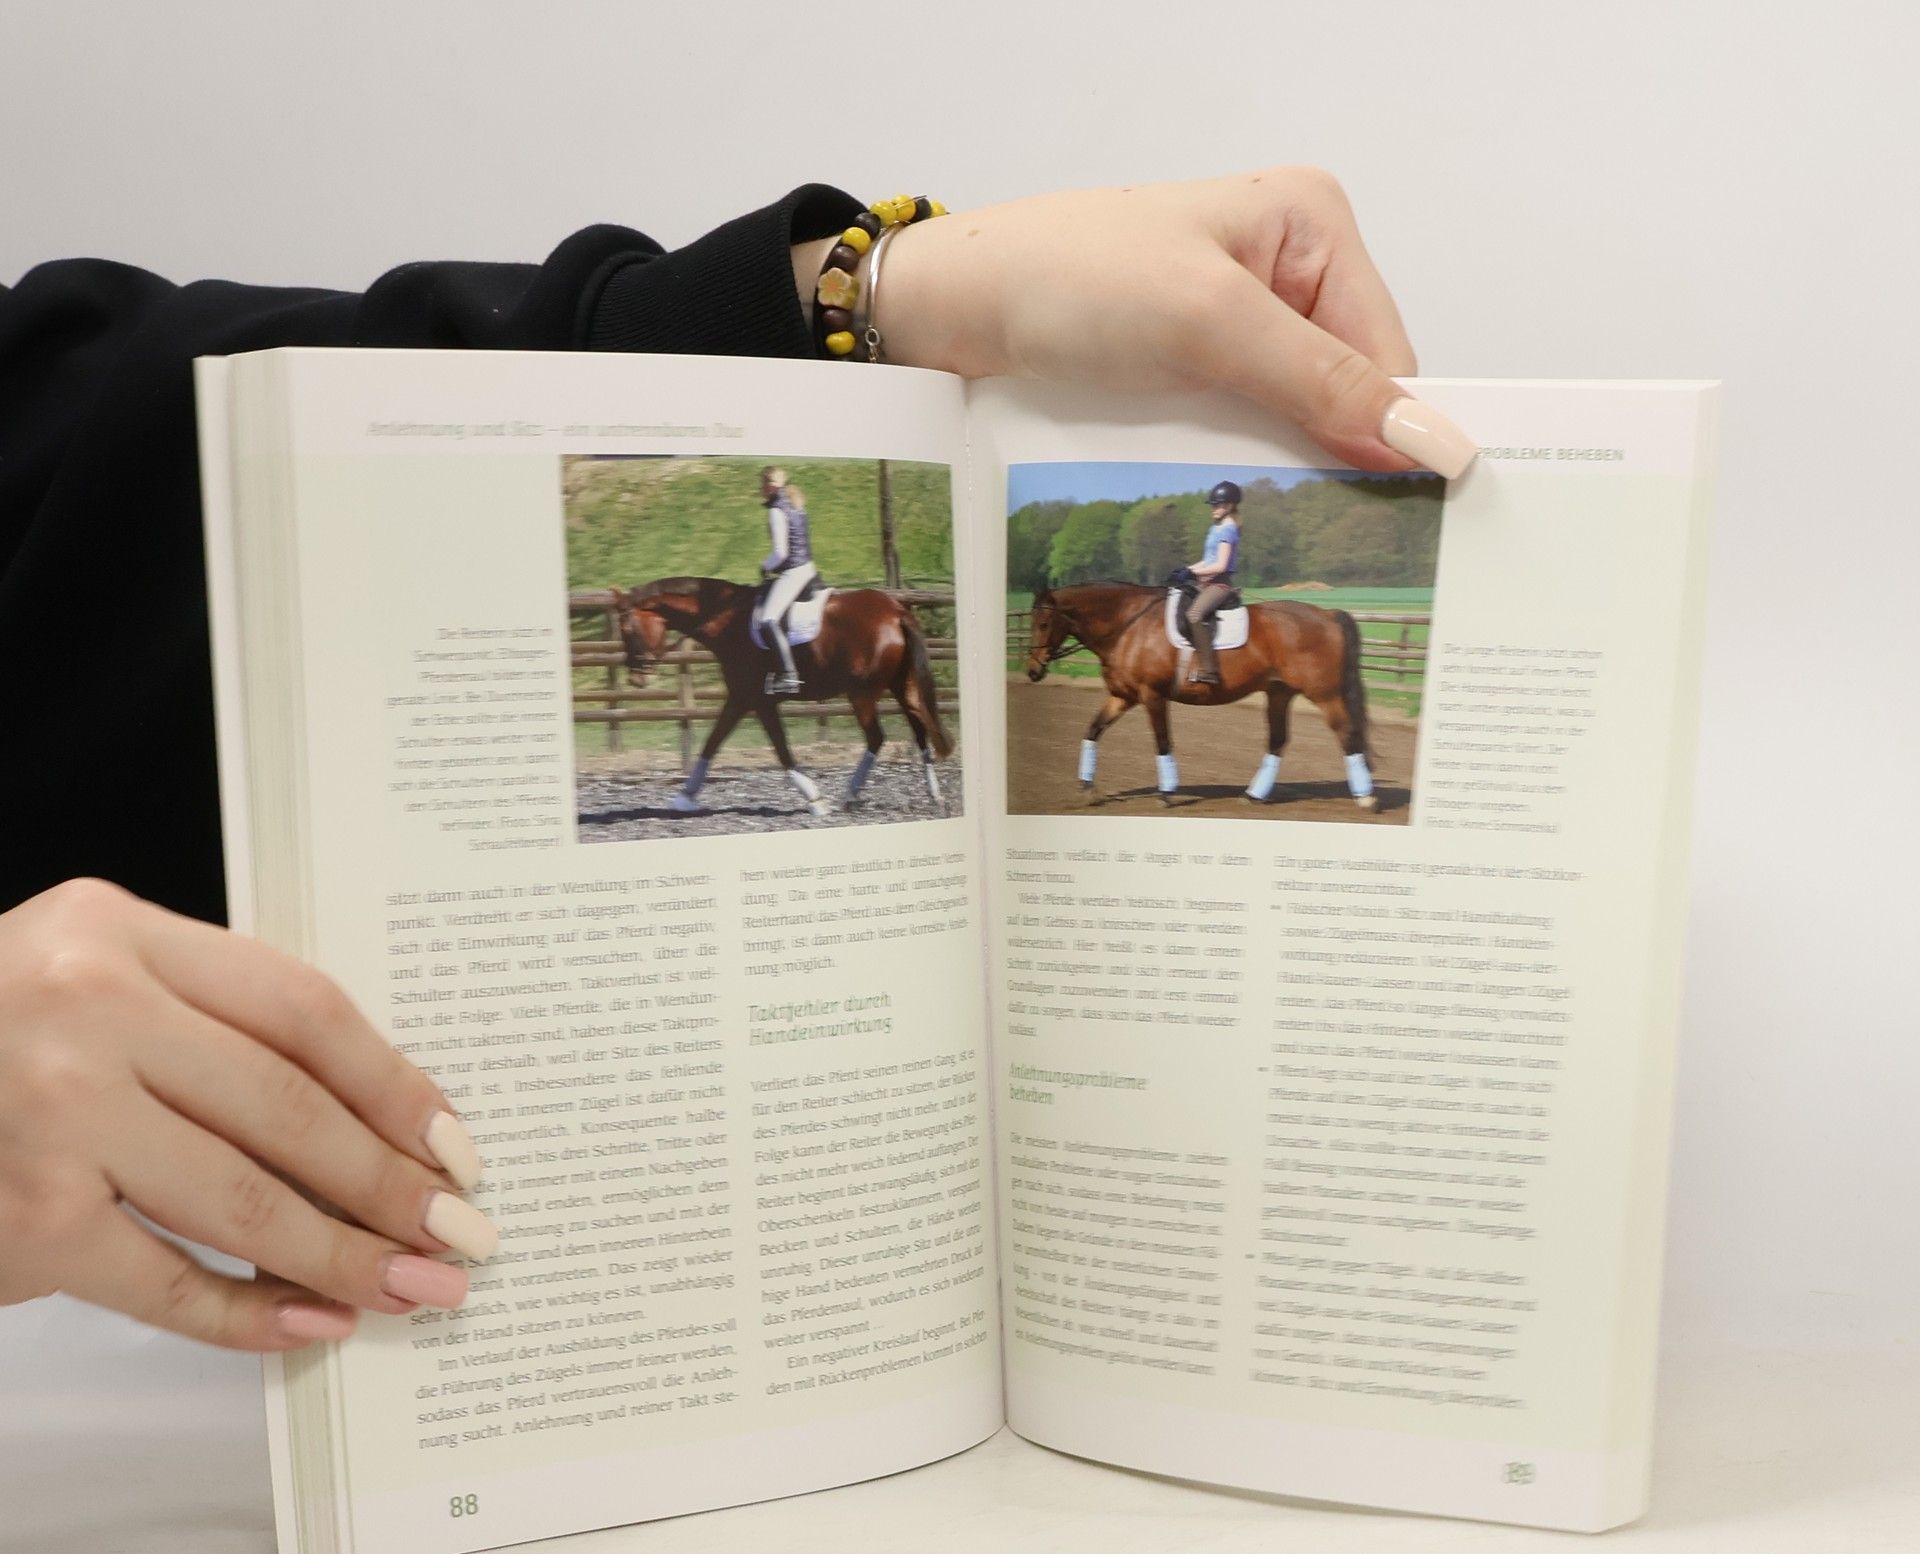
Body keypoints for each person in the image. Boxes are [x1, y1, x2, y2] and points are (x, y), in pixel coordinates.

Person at [0, 168, 1476, 1355]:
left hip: (1046, 588)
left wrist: (868, 292)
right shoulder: (782, 520)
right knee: (780, 617)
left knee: (1119, 617)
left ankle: (1150, 703)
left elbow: (95, 424)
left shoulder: (1207, 535)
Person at [755, 466, 818, 696]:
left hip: (794, 572)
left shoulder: (776, 509)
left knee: (767, 620)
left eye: (762, 484)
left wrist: (765, 567)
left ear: (771, 485)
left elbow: (780, 553)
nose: (760, 489)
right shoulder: (794, 500)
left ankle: (789, 676)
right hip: (809, 569)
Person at [1181, 479, 1244, 686]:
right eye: (1213, 505)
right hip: (1206, 581)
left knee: (1194, 615)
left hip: (1219, 584)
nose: (1214, 508)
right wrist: (1187, 570)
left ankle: (1209, 671)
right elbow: (1208, 561)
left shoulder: (1228, 529)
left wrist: (1193, 574)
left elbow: (1220, 566)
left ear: (1230, 505)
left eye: (1218, 505)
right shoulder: (1215, 528)